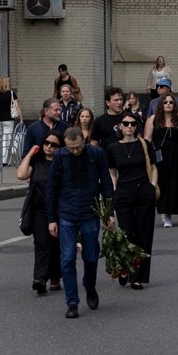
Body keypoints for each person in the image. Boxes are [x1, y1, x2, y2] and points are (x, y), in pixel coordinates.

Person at [47, 127, 115, 318]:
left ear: (84, 141)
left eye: (78, 147)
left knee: (91, 257)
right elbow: (51, 188)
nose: (75, 151)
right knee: (67, 259)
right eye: (71, 148)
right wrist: (51, 219)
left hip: (89, 213)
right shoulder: (60, 156)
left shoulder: (96, 153)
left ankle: (89, 285)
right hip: (66, 214)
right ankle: (72, 302)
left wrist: (109, 213)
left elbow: (106, 183)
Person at [106, 114, 159, 290]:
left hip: (144, 192)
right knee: (126, 233)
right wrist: (115, 189)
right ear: (120, 126)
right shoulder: (113, 148)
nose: (129, 126)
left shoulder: (144, 144)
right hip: (123, 194)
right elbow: (112, 171)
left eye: (133, 123)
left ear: (137, 126)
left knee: (144, 234)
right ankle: (124, 267)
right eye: (126, 123)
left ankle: (137, 277)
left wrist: (152, 187)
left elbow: (153, 167)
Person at [18, 134, 63, 294]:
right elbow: (21, 175)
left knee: (56, 244)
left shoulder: (62, 163)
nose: (49, 146)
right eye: (46, 143)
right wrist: (30, 154)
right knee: (42, 243)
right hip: (39, 209)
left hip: (59, 210)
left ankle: (55, 276)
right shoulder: (37, 162)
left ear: (60, 147)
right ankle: (40, 279)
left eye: (53, 144)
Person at [145, 94, 178, 228]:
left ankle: (168, 213)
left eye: (171, 102)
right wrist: (147, 158)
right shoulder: (153, 119)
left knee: (173, 185)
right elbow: (147, 139)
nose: (168, 104)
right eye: (165, 102)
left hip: (175, 157)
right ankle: (162, 210)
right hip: (158, 157)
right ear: (161, 105)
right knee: (160, 183)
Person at [0, 76, 18, 167]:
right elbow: (17, 106)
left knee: (2, 139)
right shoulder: (12, 94)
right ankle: (4, 161)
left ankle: (3, 159)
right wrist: (21, 118)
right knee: (6, 140)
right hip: (8, 120)